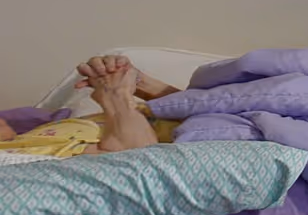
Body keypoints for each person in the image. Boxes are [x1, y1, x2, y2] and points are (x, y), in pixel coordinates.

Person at [0, 57, 180, 159]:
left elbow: (196, 109)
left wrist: (138, 82)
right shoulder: (16, 157)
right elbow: (136, 161)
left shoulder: (36, 133)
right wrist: (115, 97)